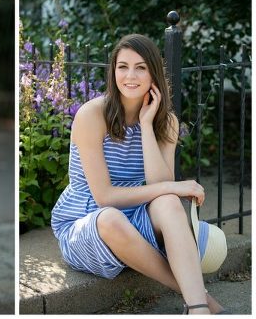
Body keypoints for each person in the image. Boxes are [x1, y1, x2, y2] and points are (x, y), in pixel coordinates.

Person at [50, 34, 226, 314]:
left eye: (141, 67)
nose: (130, 75)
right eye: (123, 66)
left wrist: (146, 126)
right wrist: (175, 187)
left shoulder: (165, 122)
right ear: (113, 72)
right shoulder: (92, 115)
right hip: (86, 223)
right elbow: (104, 197)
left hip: (134, 216)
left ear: (153, 73)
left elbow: (160, 186)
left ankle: (196, 309)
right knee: (111, 217)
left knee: (168, 202)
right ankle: (202, 299)